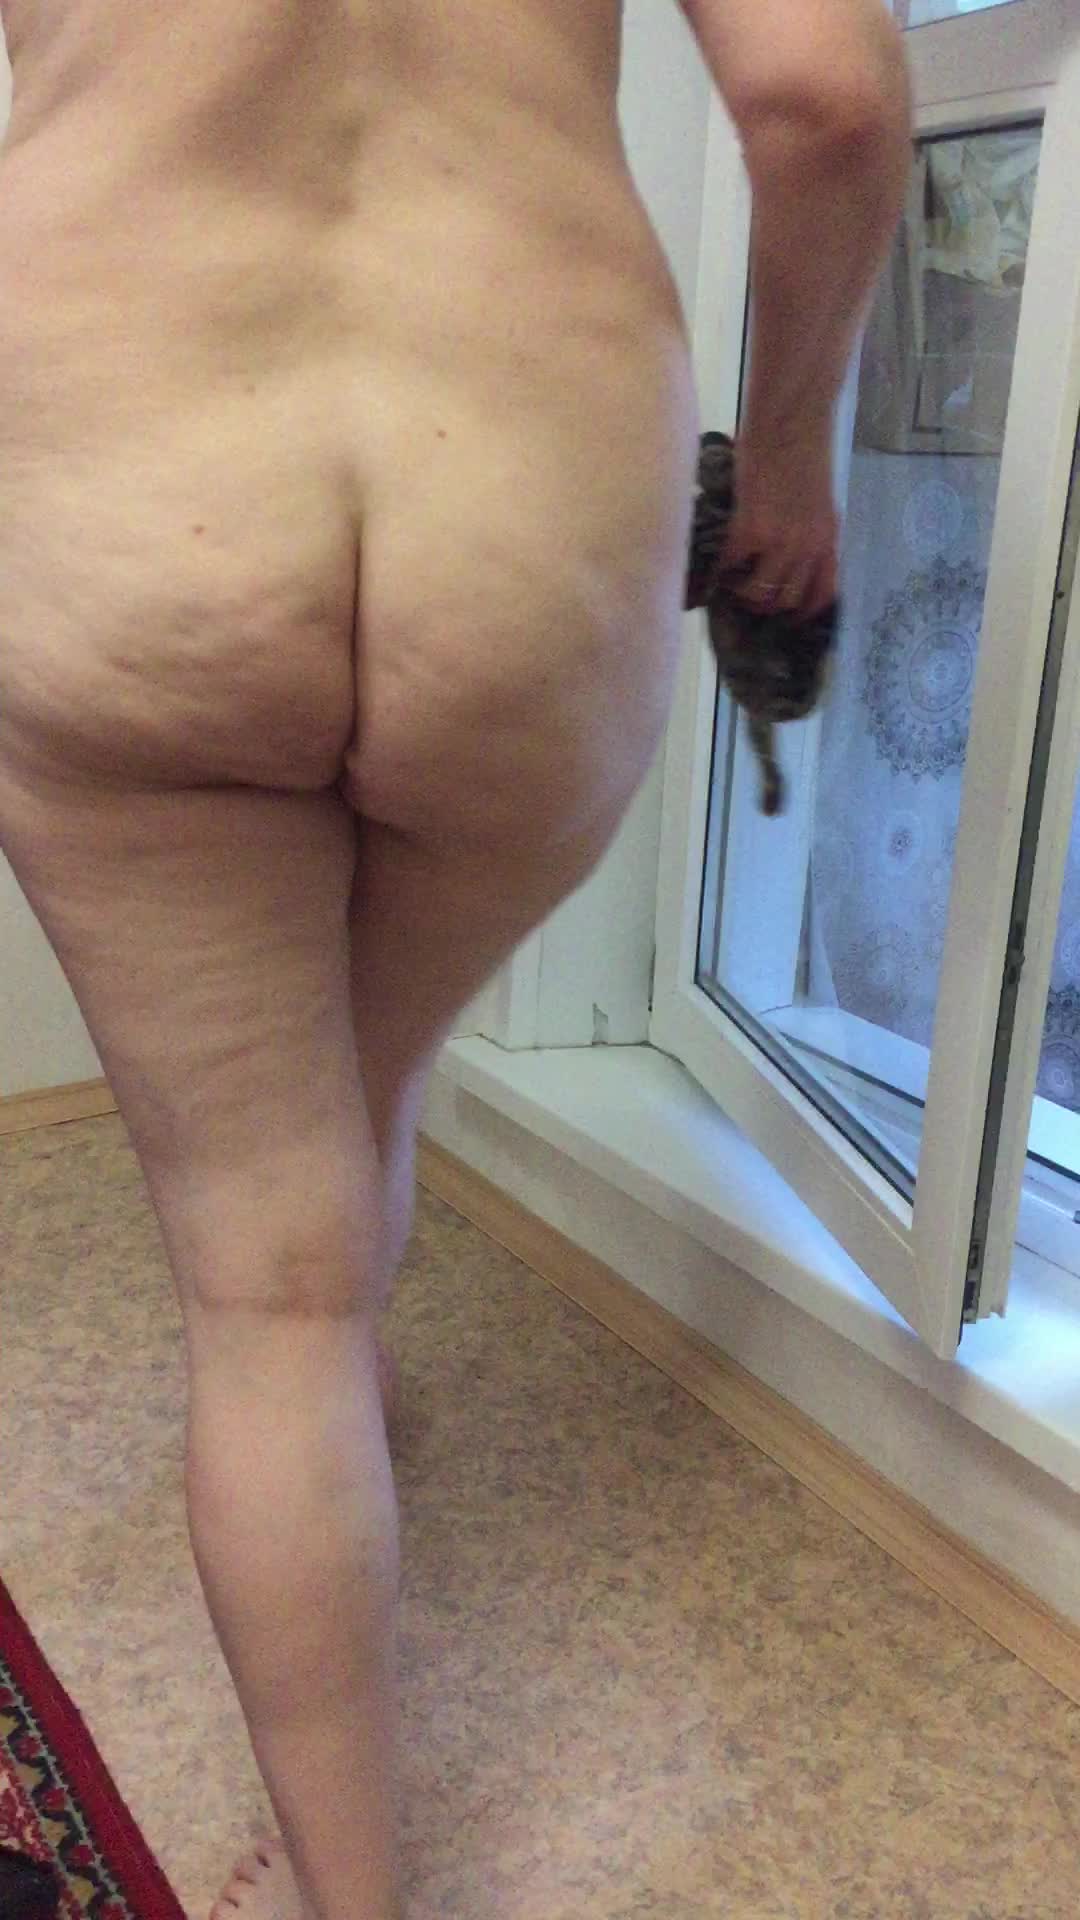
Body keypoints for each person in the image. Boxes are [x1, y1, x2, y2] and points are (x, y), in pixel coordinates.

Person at [0, 1, 909, 1915]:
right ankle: (347, 1394)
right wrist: (792, 470)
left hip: (116, 493)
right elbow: (824, 98)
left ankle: (351, 1889)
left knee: (266, 1280)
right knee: (367, 1074)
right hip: (527, 511)